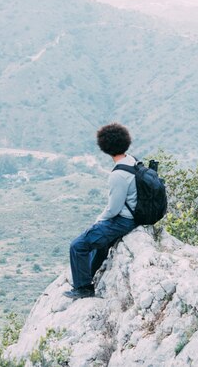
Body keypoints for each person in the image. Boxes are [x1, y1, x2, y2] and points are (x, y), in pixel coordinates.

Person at [64, 122, 138, 299]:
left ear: (104, 147)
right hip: (135, 216)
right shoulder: (133, 161)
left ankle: (83, 288)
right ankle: (90, 276)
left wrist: (99, 220)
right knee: (98, 241)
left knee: (78, 245)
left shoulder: (118, 175)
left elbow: (113, 209)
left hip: (124, 221)